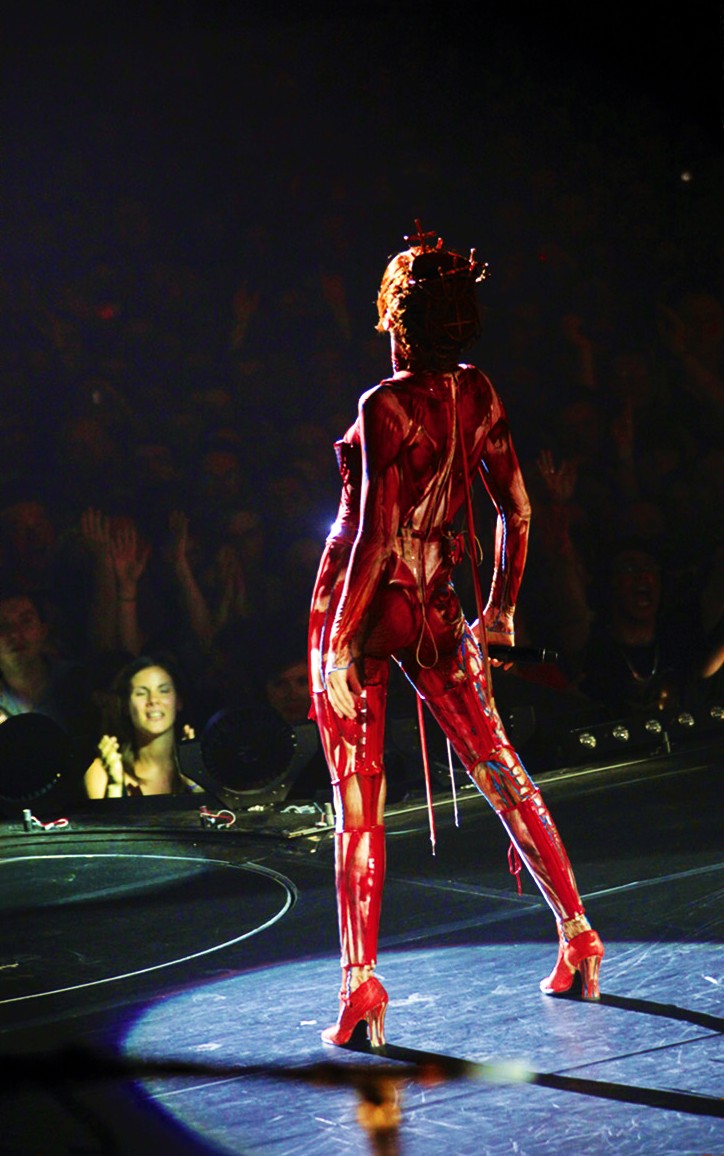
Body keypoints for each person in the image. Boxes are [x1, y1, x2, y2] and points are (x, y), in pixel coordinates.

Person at [309, 224, 604, 1048]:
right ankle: (577, 932)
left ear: (399, 320)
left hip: (365, 603)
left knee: (359, 800)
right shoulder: (477, 393)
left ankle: (361, 988)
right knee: (499, 764)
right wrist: (501, 607)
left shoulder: (385, 407)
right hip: (437, 600)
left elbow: (372, 534)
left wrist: (337, 643)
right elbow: (519, 507)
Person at [84, 652, 200, 798]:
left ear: (178, 701)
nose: (153, 700)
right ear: (126, 705)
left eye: (164, 691)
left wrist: (196, 781)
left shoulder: (204, 766)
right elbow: (104, 820)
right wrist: (114, 786)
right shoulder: (102, 772)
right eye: (141, 693)